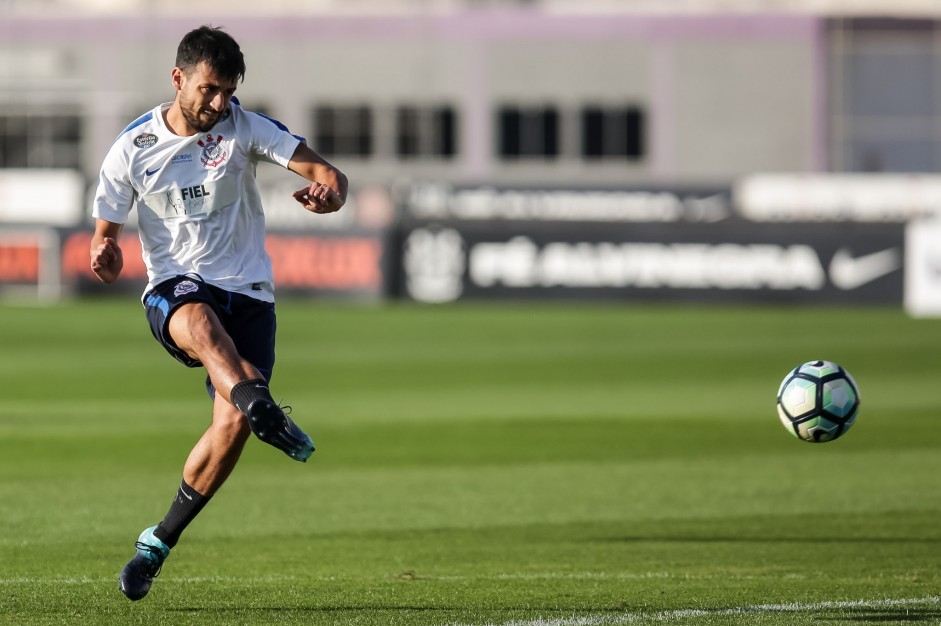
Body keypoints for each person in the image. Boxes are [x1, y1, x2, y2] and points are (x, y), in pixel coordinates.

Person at [89, 25, 348, 601]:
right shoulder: (131, 149)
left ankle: (156, 543)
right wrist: (105, 256)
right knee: (203, 326)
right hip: (174, 289)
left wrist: (329, 194)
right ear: (178, 79)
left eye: (227, 92)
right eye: (208, 89)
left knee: (229, 426)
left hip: (250, 294)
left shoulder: (245, 128)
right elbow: (103, 242)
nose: (218, 103)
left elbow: (330, 177)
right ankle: (261, 404)